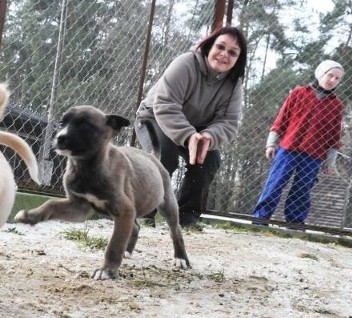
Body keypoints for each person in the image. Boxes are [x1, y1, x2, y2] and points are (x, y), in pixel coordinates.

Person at [135, 26, 247, 227]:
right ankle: (143, 214)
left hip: (196, 130)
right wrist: (188, 136)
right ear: (208, 46)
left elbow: (229, 122)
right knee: (165, 156)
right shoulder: (185, 63)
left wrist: (208, 136)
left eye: (232, 52)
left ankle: (186, 219)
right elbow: (165, 105)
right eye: (220, 47)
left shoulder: (234, 84)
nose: (224, 55)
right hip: (154, 118)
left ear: (239, 58)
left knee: (209, 160)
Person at [251, 60, 344, 229]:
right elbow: (281, 119)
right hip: (289, 148)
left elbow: (334, 137)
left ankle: (294, 223)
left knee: (303, 189)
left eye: (337, 78)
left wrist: (330, 162)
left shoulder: (336, 105)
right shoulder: (299, 93)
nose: (332, 80)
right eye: (330, 75)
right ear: (321, 73)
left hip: (314, 154)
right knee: (276, 183)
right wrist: (271, 143)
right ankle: (260, 219)